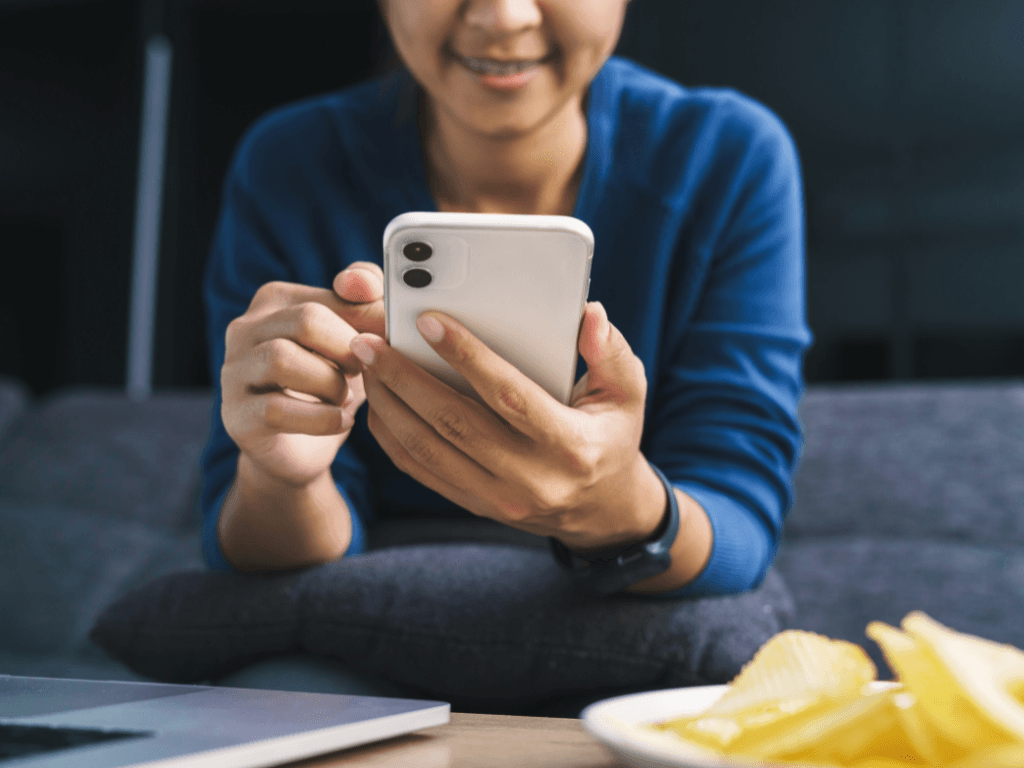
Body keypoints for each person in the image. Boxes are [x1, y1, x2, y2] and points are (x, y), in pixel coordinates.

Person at [199, 0, 812, 698]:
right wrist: (286, 476)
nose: (504, 15)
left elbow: (738, 510)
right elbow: (240, 539)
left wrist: (612, 503)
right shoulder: (290, 163)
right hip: (351, 640)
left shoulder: (725, 158)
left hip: (629, 613)